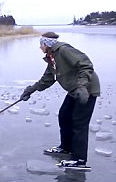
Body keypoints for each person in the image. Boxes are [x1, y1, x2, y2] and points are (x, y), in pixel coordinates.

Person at [21, 32, 100, 171]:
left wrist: (82, 86)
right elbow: (47, 79)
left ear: (47, 44)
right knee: (64, 116)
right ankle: (66, 148)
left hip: (86, 89)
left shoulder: (63, 50)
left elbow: (86, 64)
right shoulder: (52, 58)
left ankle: (79, 159)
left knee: (79, 123)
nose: (40, 47)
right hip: (74, 90)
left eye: (41, 44)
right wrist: (31, 90)